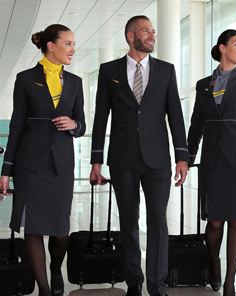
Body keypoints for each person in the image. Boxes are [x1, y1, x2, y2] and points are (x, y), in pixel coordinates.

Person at [89, 15, 188, 296]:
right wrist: (96, 160)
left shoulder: (166, 70)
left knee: (158, 222)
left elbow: (175, 116)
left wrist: (182, 156)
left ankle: (158, 285)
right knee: (128, 222)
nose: (152, 36)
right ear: (130, 36)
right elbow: (100, 117)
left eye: (153, 32)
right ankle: (134, 281)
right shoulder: (109, 70)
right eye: (146, 31)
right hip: (122, 158)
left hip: (158, 160)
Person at [0, 24, 85, 296]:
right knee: (33, 229)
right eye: (68, 43)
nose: (72, 48)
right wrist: (6, 170)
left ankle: (56, 268)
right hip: (30, 164)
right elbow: (16, 126)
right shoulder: (25, 79)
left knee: (60, 232)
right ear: (51, 46)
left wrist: (73, 124)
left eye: (73, 44)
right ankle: (44, 290)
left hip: (61, 165)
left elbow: (81, 125)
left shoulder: (75, 82)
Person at [187, 29, 236, 296]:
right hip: (212, 161)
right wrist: (187, 159)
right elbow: (196, 124)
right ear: (222, 48)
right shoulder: (203, 85)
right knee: (214, 222)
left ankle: (230, 282)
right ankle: (214, 265)